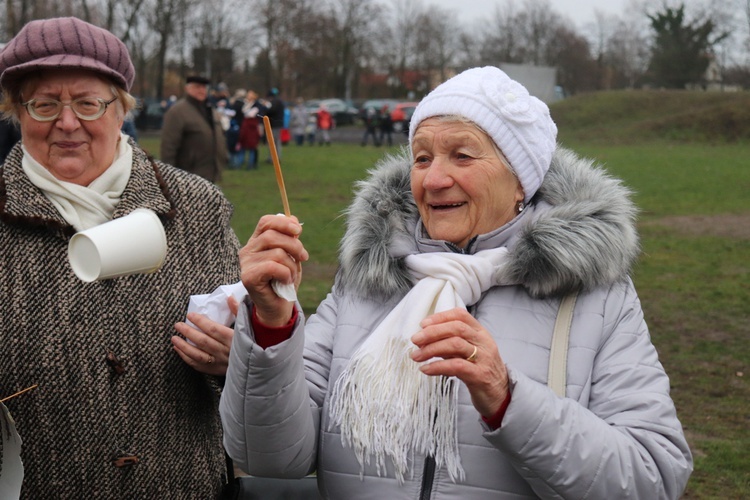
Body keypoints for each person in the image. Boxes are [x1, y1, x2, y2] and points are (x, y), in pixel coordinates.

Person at [218, 66, 693, 498]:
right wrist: (272, 325)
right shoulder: (369, 279)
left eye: (462, 155)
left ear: (521, 180)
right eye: (422, 158)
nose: (434, 179)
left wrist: (507, 398)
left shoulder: (594, 296)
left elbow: (653, 477)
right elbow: (270, 457)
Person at [0, 17, 241, 498]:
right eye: (45, 104)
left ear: (120, 109)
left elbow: (251, 366)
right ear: (17, 113)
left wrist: (236, 361)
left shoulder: (196, 206)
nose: (67, 123)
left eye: (88, 103)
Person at [160, 74, 229, 183]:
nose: (201, 90)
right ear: (187, 88)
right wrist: (169, 178)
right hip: (188, 176)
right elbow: (169, 146)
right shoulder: (177, 112)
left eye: (204, 87)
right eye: (197, 87)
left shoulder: (210, 110)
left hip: (210, 173)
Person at [262, 87, 285, 160]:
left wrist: (265, 106)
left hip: (274, 124)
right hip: (277, 124)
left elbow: (271, 111)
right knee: (275, 141)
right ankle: (274, 157)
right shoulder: (279, 101)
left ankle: (274, 158)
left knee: (273, 142)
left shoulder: (275, 102)